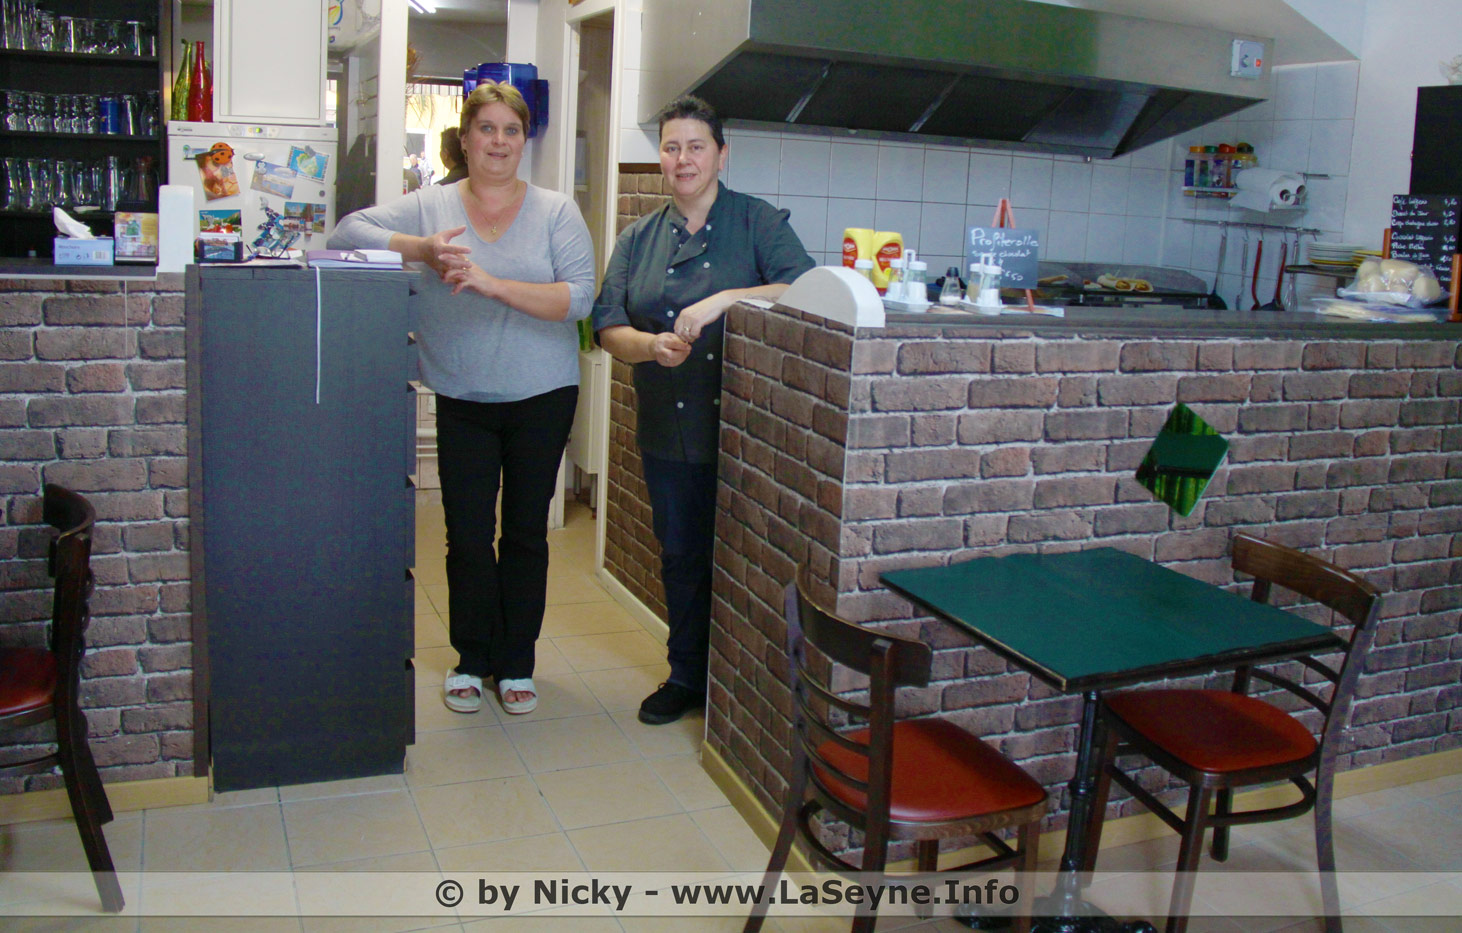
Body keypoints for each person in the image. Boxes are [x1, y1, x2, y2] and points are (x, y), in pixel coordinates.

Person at [330, 81, 595, 716]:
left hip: (542, 394)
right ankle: (472, 659)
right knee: (468, 536)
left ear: (524, 141)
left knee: (525, 535)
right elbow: (345, 232)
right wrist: (420, 249)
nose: (499, 142)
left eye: (511, 130)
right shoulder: (431, 205)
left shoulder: (556, 211)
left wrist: (489, 282)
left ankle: (517, 663)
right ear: (466, 138)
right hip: (461, 394)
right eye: (487, 129)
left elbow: (579, 297)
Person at [591, 96, 814, 725]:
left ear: (721, 154)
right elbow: (606, 326)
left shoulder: (756, 221)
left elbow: (803, 287)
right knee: (682, 554)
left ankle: (743, 683)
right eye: (671, 147)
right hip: (669, 422)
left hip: (747, 426)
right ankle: (687, 674)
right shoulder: (638, 237)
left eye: (696, 146)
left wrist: (726, 299)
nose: (683, 159)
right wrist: (650, 347)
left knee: (745, 555)